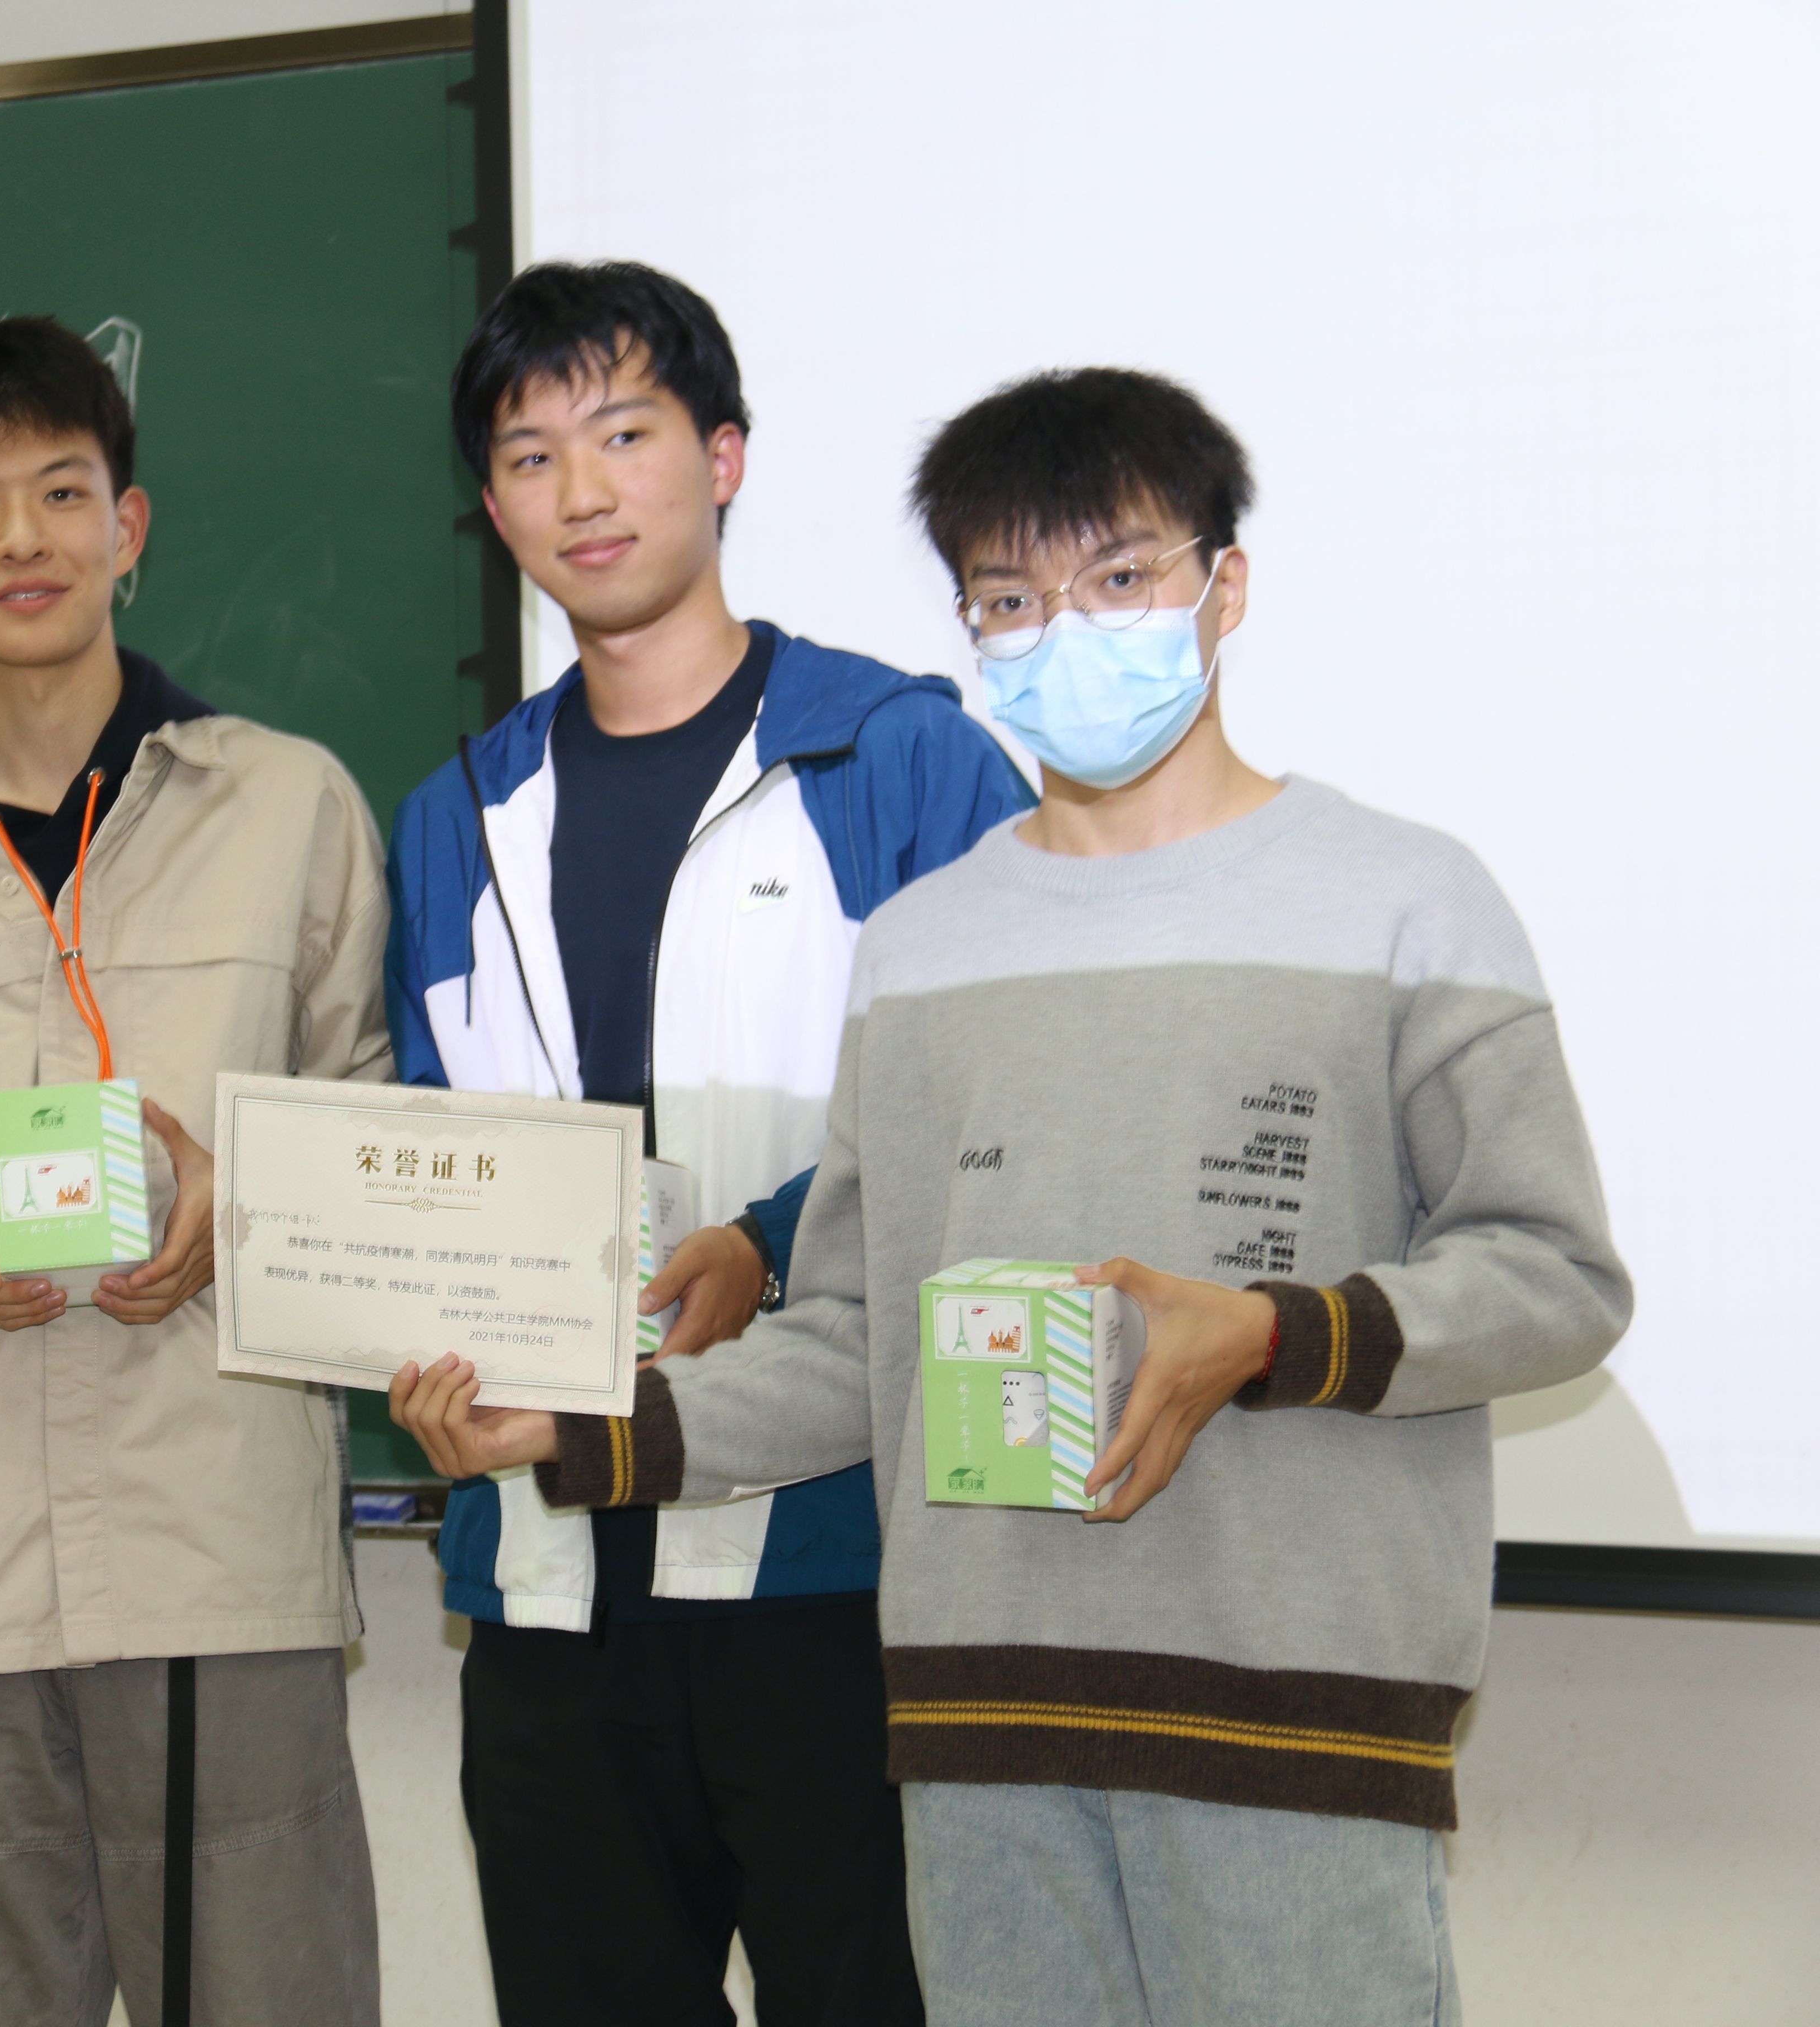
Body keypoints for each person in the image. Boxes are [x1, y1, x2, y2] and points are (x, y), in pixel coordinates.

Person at [396, 365, 1634, 2026]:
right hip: (981, 1745)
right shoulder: (925, 946)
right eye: (1010, 600)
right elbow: (856, 1338)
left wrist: (1270, 1334)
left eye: (1119, 579)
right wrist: (577, 1426)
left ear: (1225, 587)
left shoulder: (1406, 899)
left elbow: (1556, 1276)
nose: (1066, 633)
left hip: (1295, 1730)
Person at [384, 261, 1031, 2025]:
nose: (581, 492)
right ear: (494, 505)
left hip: (835, 1569)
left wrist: (771, 1240)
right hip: (547, 1577)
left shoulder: (898, 759)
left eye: (625, 434)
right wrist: (414, 1345)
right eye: (530, 456)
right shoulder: (458, 818)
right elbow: (425, 1146)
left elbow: (1001, 1115)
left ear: (724, 456)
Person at [0, 314, 390, 2027]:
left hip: (223, 1555)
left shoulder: (289, 810)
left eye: (61, 491)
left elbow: (377, 1124)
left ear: (132, 524)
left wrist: (245, 1209)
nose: (22, 538)